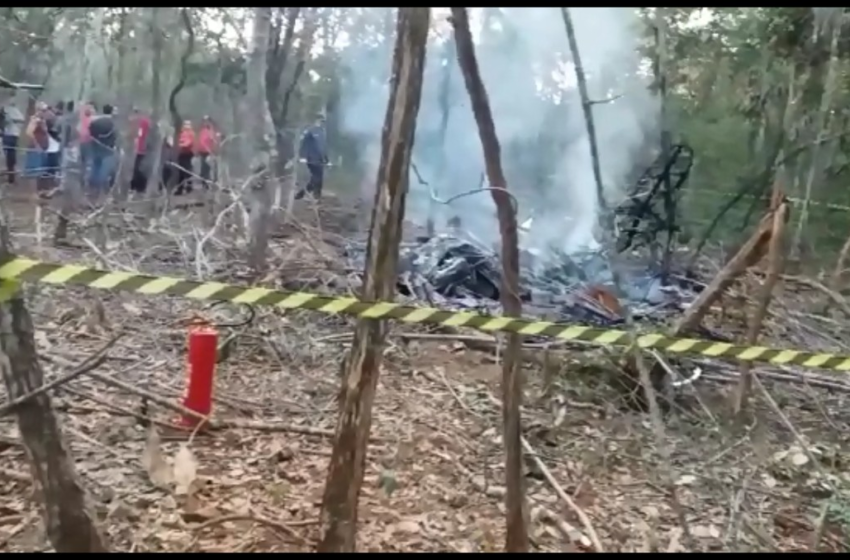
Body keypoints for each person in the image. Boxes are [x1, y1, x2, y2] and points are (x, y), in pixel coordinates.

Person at [295, 114, 328, 200]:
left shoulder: (322, 132)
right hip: (311, 158)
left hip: (320, 159)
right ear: (316, 120)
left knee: (319, 178)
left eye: (323, 121)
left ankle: (316, 196)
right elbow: (305, 144)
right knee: (316, 178)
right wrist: (303, 156)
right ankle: (302, 194)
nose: (321, 123)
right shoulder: (310, 131)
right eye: (320, 120)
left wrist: (327, 160)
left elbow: (323, 147)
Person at [87, 103, 117, 196]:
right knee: (104, 169)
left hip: (95, 146)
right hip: (108, 149)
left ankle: (92, 186)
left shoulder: (95, 121)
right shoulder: (112, 123)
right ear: (111, 111)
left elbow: (90, 132)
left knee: (95, 166)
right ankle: (101, 188)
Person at [1, 93, 24, 185]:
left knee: (11, 157)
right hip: (7, 134)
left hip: (13, 135)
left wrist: (13, 120)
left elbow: (22, 120)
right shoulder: (5, 109)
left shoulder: (15, 110)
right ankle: (10, 175)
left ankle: (11, 176)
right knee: (9, 156)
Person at [130, 109, 151, 194]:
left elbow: (145, 135)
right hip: (135, 149)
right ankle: (135, 186)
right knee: (134, 168)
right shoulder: (133, 123)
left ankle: (141, 186)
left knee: (138, 168)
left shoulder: (144, 122)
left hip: (141, 149)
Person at [196, 116, 218, 188]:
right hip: (203, 152)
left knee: (209, 167)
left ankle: (211, 182)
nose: (206, 123)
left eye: (207, 121)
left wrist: (212, 150)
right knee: (204, 167)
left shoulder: (211, 130)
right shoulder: (203, 131)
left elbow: (214, 141)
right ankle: (205, 183)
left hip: (210, 152)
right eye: (204, 121)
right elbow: (201, 142)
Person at [175, 120, 195, 195]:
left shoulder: (191, 133)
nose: (186, 126)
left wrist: (181, 145)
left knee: (187, 171)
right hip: (181, 154)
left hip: (188, 153)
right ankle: (180, 188)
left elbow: (189, 143)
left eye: (188, 124)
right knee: (181, 171)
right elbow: (180, 141)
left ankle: (189, 187)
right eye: (185, 124)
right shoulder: (182, 133)